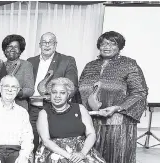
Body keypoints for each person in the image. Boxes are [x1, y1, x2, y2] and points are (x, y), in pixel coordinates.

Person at [79, 31, 148, 163]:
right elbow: (79, 91)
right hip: (91, 123)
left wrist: (118, 108)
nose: (107, 47)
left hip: (117, 124)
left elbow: (140, 92)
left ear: (120, 47)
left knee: (115, 159)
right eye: (104, 43)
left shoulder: (129, 64)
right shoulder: (90, 66)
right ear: (99, 46)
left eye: (112, 44)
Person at [27, 32, 80, 155]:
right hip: (33, 108)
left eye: (50, 41)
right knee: (31, 143)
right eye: (44, 42)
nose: (47, 45)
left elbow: (72, 87)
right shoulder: (31, 61)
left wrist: (56, 99)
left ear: (55, 44)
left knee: (54, 144)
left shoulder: (67, 60)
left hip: (56, 109)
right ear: (39, 44)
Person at [35, 78, 105, 163]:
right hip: (55, 152)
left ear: (68, 95)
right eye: (54, 92)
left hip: (82, 151)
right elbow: (46, 141)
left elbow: (91, 134)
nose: (57, 96)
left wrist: (82, 153)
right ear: (50, 94)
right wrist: (70, 156)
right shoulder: (44, 113)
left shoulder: (80, 108)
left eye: (62, 93)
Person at [1, 34, 35, 109]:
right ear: (5, 50)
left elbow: (30, 90)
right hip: (1, 107)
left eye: (16, 47)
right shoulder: (0, 66)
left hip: (19, 107)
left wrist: (14, 92)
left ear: (20, 50)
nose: (12, 49)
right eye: (9, 46)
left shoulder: (26, 65)